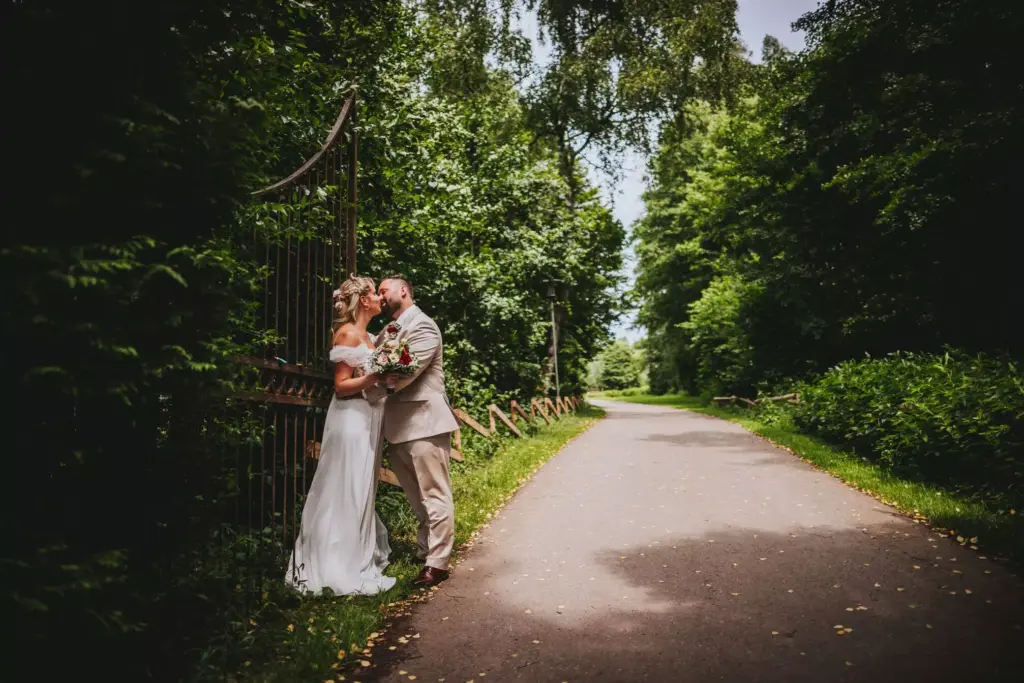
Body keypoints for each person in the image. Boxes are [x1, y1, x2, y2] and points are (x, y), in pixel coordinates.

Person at [285, 275, 397, 595]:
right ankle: (335, 563)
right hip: (350, 420)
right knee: (345, 485)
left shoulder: (370, 336)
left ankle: (359, 557)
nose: (379, 298)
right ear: (363, 300)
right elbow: (341, 386)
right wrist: (375, 375)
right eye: (375, 293)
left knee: (362, 487)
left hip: (369, 416)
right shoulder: (347, 334)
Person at [371, 275, 459, 587]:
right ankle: (425, 550)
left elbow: (405, 374)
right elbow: (373, 360)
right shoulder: (387, 330)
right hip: (396, 426)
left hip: (425, 422)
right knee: (415, 497)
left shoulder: (423, 325)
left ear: (403, 290)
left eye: (384, 290)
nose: (380, 296)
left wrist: (369, 381)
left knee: (434, 494)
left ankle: (438, 563)